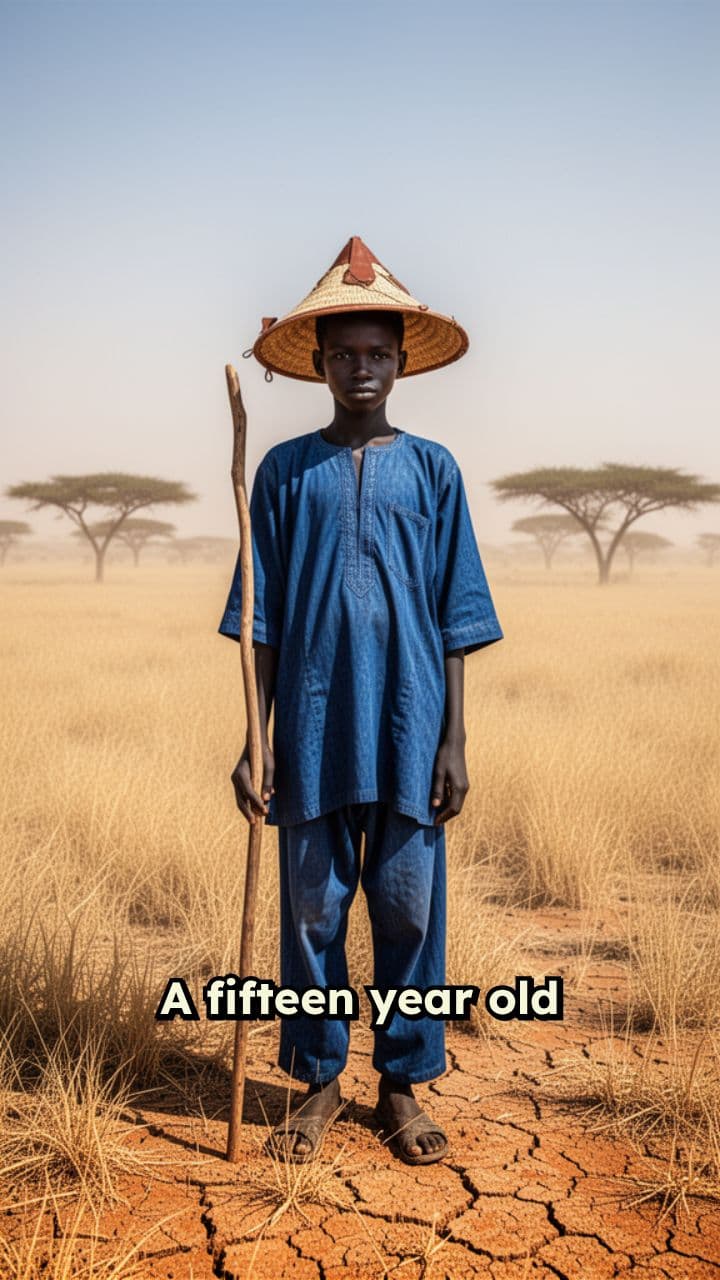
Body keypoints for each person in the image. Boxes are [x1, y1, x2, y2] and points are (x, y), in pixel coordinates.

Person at [219, 236, 503, 1165]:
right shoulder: (282, 474)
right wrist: (255, 740)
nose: (363, 369)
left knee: (411, 910)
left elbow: (459, 612)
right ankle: (319, 1083)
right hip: (307, 727)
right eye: (344, 355)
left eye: (379, 353)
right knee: (309, 911)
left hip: (413, 725)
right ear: (318, 365)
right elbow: (260, 621)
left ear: (404, 359)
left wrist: (455, 740)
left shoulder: (434, 471)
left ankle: (403, 1085)